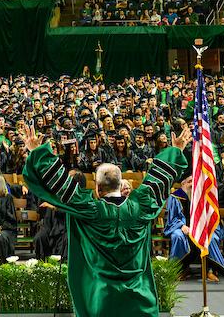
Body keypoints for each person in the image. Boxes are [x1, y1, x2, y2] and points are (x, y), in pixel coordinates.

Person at [22, 122, 190, 317]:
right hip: (139, 298)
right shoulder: (141, 206)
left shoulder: (90, 209)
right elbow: (160, 178)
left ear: (97, 189)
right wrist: (177, 150)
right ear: (121, 183)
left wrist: (36, 151)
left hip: (101, 297)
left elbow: (59, 183)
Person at [164, 174, 224, 282]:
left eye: (194, 182)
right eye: (189, 182)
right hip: (182, 229)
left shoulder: (204, 197)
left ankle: (210, 270)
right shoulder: (175, 197)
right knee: (178, 236)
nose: (192, 184)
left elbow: (211, 216)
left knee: (212, 237)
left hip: (201, 228)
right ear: (182, 183)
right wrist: (181, 226)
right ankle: (179, 269)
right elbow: (171, 218)